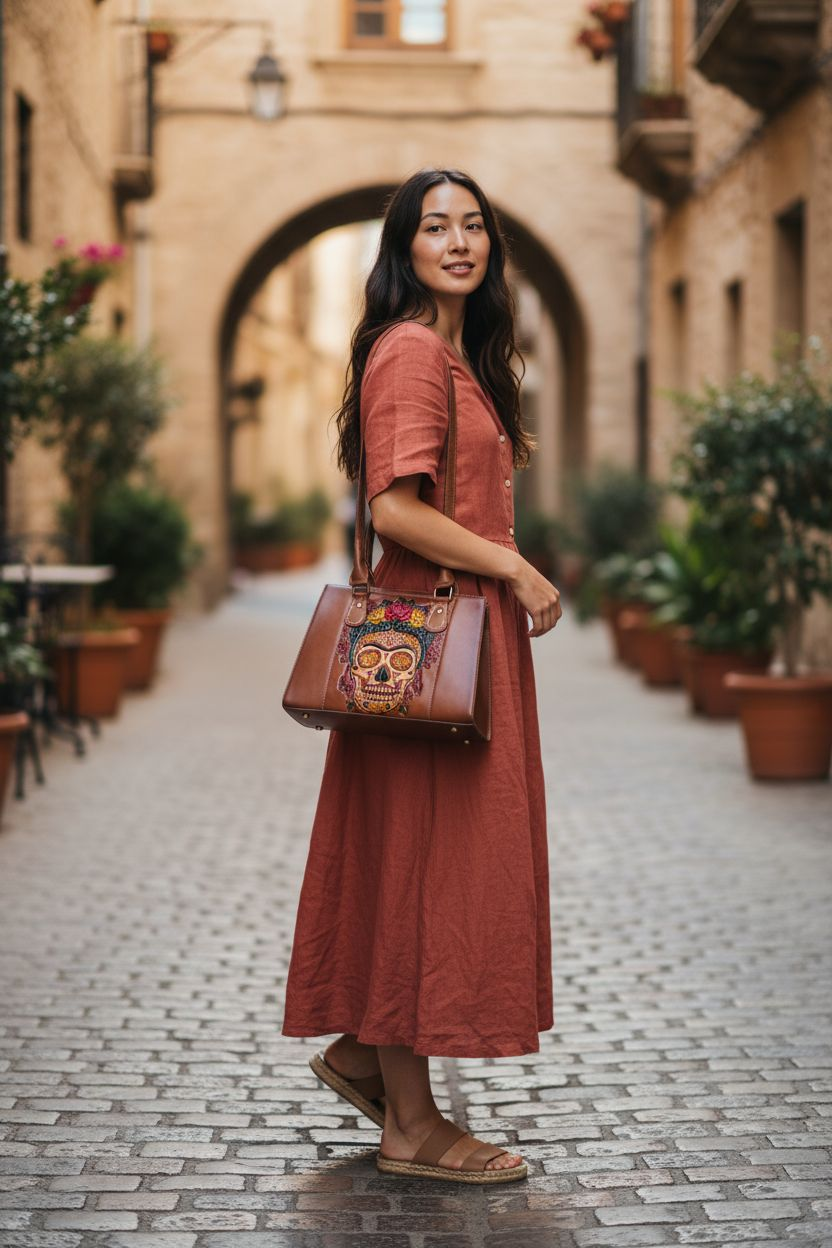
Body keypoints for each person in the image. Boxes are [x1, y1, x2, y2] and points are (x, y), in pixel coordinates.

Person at [282, 167, 561, 1184]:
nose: (458, 241)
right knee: (420, 869)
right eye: (434, 226)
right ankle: (409, 1127)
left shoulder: (457, 353)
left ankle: (367, 1056)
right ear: (401, 247)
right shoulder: (409, 352)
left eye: (474, 225)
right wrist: (516, 566)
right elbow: (393, 509)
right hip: (433, 644)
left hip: (454, 642)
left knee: (427, 861)